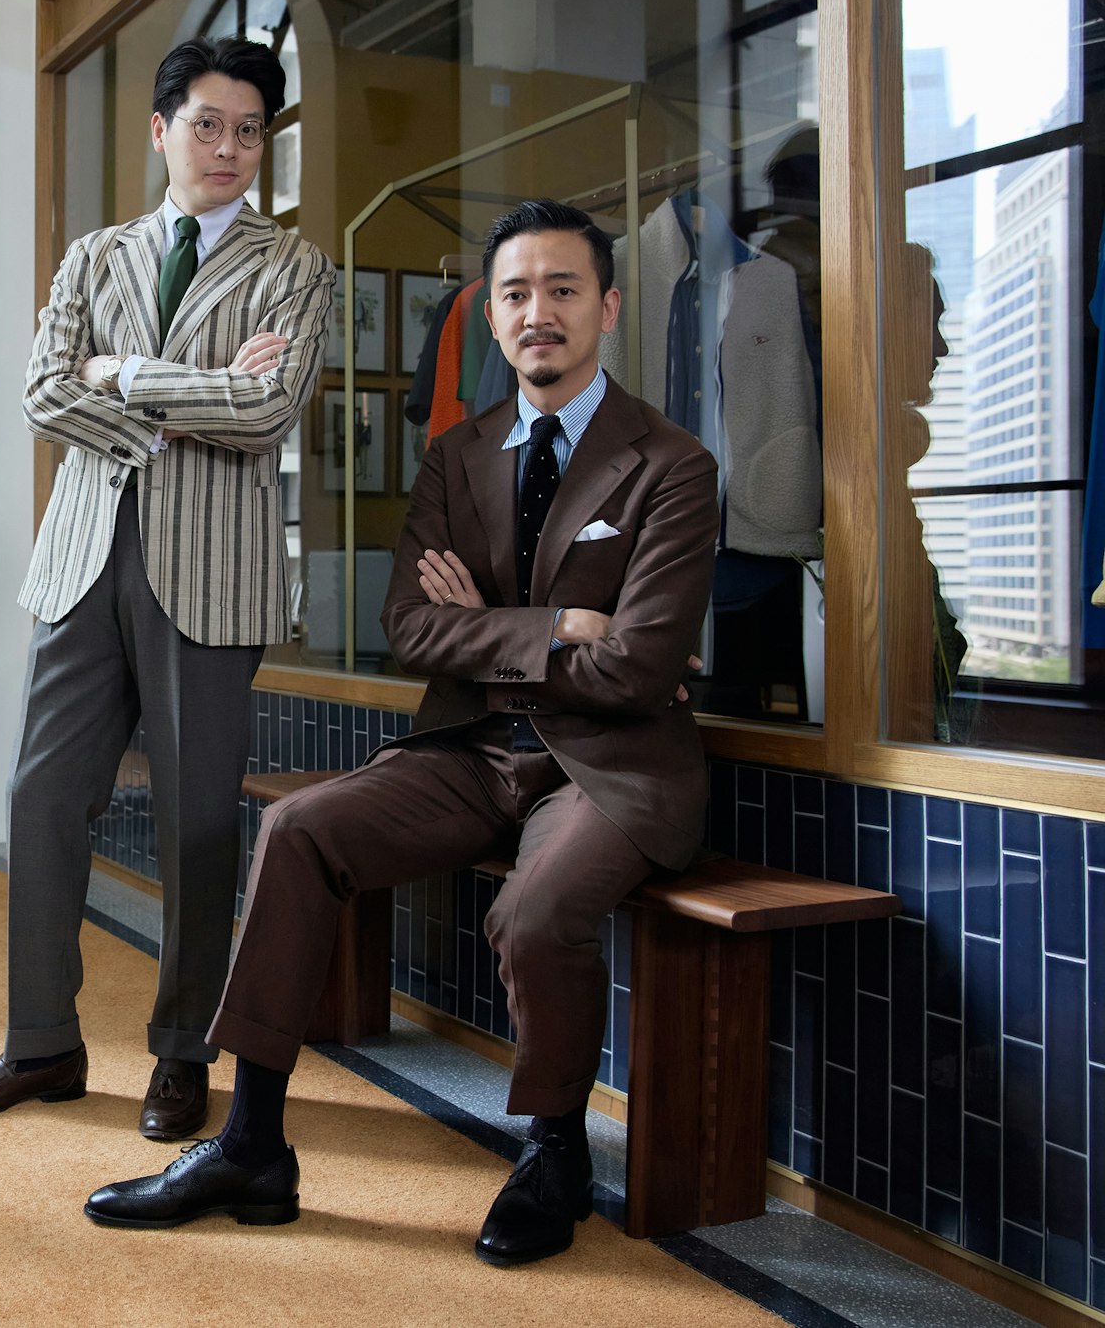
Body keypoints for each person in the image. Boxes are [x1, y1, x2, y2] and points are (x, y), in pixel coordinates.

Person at [84, 200, 720, 1267]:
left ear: (608, 307)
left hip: (604, 767)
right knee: (299, 830)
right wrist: (556, 624)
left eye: (563, 289)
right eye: (515, 293)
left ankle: (554, 1149)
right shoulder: (455, 456)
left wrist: (489, 627)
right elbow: (411, 627)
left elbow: (637, 669)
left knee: (534, 910)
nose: (538, 311)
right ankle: (250, 1145)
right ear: (490, 316)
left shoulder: (672, 463)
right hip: (472, 747)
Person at [0, 37, 335, 1141]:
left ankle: (181, 1053)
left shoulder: (293, 266)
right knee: (41, 798)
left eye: (249, 130)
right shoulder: (93, 256)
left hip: (211, 574)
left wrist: (125, 376)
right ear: (161, 131)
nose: (229, 147)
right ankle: (40, 1044)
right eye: (207, 124)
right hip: (80, 559)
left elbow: (265, 413)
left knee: (196, 820)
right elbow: (42, 396)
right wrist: (185, 401)